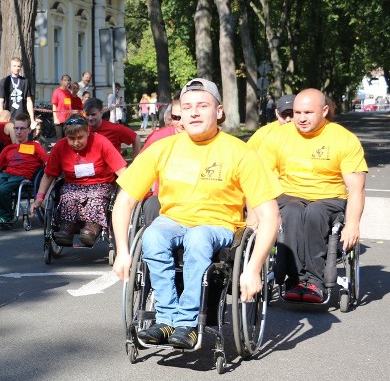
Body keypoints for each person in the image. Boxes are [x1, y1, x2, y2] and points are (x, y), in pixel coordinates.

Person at [110, 78, 280, 349]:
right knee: (152, 235)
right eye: (188, 107)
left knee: (198, 238)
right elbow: (124, 201)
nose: (195, 112)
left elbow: (270, 214)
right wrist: (123, 251)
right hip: (173, 221)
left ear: (219, 111)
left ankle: (188, 324)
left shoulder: (240, 152)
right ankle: (165, 320)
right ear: (180, 113)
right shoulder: (163, 148)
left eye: (203, 106)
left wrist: (253, 268)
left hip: (218, 224)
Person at [259, 88, 367, 303]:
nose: (301, 118)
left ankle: (313, 281)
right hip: (289, 195)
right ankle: (296, 280)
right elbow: (262, 177)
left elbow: (356, 187)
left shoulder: (343, 138)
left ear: (324, 111)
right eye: (297, 113)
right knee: (292, 211)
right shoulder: (278, 136)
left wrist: (353, 224)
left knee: (315, 212)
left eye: (308, 112)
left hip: (329, 198)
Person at [30, 116, 127, 248]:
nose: (76, 143)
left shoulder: (101, 142)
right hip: (72, 185)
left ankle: (92, 226)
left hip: (100, 184)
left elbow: (121, 170)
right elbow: (49, 175)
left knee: (95, 196)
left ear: (88, 132)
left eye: (80, 137)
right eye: (71, 139)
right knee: (67, 196)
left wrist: (132, 193)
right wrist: (39, 198)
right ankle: (66, 226)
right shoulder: (60, 147)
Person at [0, 113, 48, 226]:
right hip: (7, 174)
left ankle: (6, 217)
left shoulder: (35, 146)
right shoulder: (8, 148)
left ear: (29, 130)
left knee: (3, 189)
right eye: (16, 128)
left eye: (22, 128)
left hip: (23, 176)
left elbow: (48, 164)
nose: (19, 132)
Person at [0, 57, 37, 134]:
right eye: (14, 66)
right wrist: (2, 120)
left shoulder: (25, 81)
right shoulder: (4, 81)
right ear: (10, 67)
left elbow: (29, 101)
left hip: (22, 117)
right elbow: (0, 102)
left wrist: (32, 119)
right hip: (9, 118)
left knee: (22, 140)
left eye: (18, 66)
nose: (16, 68)